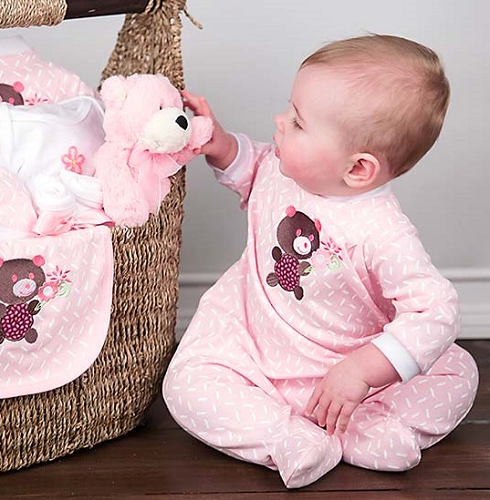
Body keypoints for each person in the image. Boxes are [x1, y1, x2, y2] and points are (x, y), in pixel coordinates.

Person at [162, 34, 479, 489]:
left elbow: (436, 311)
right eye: (290, 110)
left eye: (298, 122)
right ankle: (284, 435)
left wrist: (362, 370)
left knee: (457, 370)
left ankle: (369, 425)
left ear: (357, 169)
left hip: (347, 377)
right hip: (253, 340)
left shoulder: (381, 232)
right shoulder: (284, 167)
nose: (280, 120)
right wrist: (221, 142)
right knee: (186, 385)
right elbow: (252, 169)